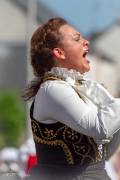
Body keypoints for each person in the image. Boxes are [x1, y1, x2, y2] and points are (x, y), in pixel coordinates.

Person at [23, 17, 120, 180]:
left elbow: (102, 152)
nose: (86, 42)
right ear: (59, 52)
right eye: (77, 39)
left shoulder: (80, 89)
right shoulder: (52, 89)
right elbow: (99, 127)